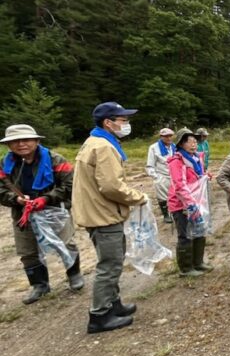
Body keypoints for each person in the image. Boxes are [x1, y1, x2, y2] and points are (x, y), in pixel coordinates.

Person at [73, 102, 145, 334]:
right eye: (123, 120)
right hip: (103, 214)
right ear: (108, 122)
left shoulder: (95, 141)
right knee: (110, 265)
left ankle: (114, 304)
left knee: (113, 261)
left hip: (99, 212)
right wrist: (138, 197)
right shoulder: (103, 146)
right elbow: (111, 186)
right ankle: (99, 316)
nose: (126, 125)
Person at [0, 124, 84, 304]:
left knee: (66, 243)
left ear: (37, 141)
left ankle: (74, 275)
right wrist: (16, 200)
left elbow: (70, 185)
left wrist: (46, 199)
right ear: (9, 145)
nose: (21, 144)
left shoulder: (56, 160)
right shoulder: (4, 165)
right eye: (15, 141)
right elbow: (1, 191)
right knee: (27, 251)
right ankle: (39, 285)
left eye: (26, 139)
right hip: (23, 213)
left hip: (55, 210)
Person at [168, 128, 213, 277]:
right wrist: (190, 204)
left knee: (199, 231)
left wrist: (205, 176)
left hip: (197, 202)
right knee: (186, 235)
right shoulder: (177, 161)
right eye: (190, 141)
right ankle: (186, 269)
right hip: (182, 204)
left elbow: (195, 177)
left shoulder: (196, 158)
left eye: (195, 141)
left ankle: (198, 263)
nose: (194, 144)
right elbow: (179, 185)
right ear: (181, 144)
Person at [145, 128, 176, 224]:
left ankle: (175, 213)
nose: (169, 138)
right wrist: (156, 177)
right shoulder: (154, 147)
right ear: (161, 137)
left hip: (174, 175)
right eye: (166, 136)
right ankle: (166, 214)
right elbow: (150, 164)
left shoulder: (175, 147)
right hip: (161, 175)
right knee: (162, 196)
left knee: (176, 196)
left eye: (170, 136)